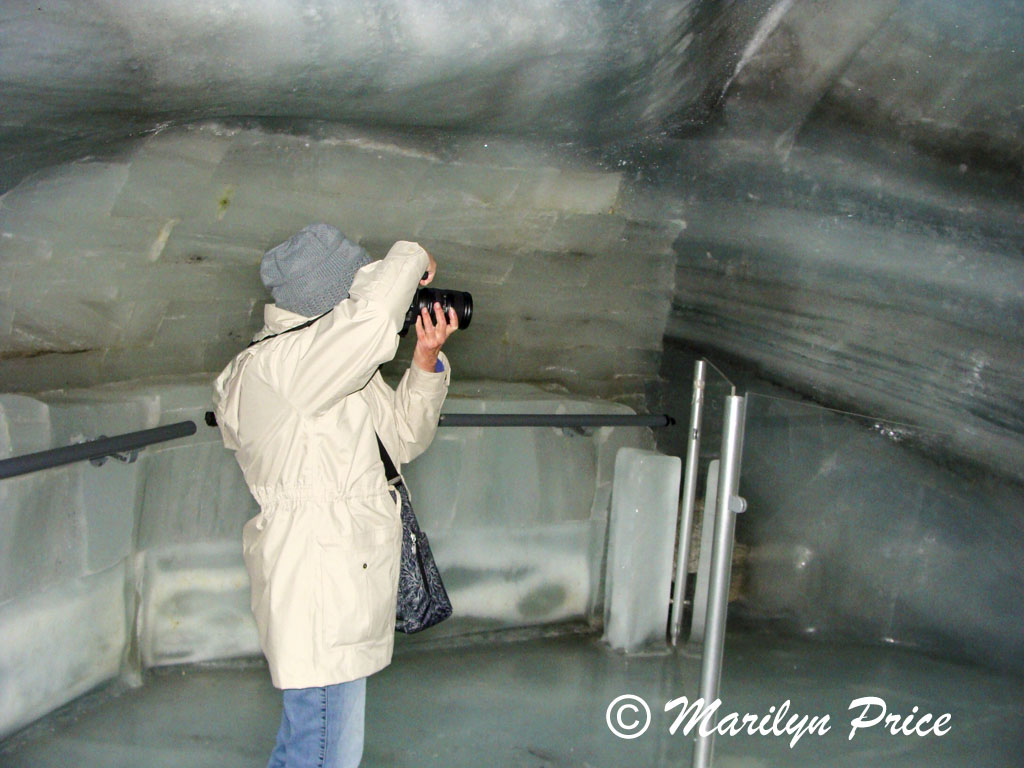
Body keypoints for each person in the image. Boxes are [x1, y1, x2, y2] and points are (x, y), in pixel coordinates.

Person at [212, 223, 458, 768]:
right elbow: (371, 322)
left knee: (312, 746)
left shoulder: (332, 370)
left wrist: (424, 364)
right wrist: (410, 257)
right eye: (356, 285)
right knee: (324, 753)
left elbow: (404, 439)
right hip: (318, 582)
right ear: (334, 297)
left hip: (345, 579)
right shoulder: (280, 368)